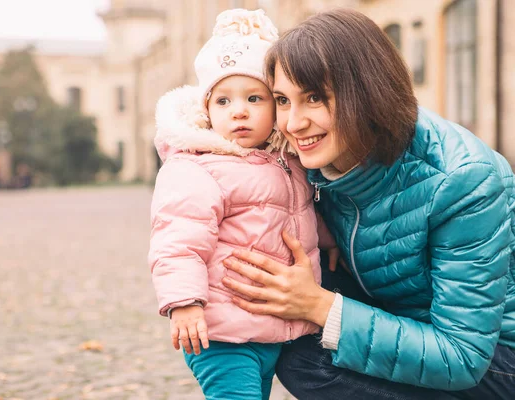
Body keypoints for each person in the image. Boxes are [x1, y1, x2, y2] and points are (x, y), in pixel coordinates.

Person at [220, 8, 515, 399]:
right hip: (402, 313)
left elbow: (461, 357)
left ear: (366, 90)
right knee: (287, 329)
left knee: (306, 356)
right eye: (282, 101)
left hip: (493, 355)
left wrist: (321, 306)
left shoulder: (461, 180)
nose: (293, 123)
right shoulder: (312, 161)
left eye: (314, 98)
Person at [148, 9, 336, 399]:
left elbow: (299, 214)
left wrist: (330, 242)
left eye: (254, 98)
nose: (239, 111)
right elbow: (178, 240)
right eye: (223, 101)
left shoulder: (288, 161)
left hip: (267, 328)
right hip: (222, 333)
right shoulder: (197, 166)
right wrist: (184, 302)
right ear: (207, 110)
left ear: (276, 105)